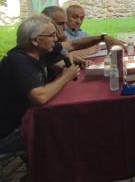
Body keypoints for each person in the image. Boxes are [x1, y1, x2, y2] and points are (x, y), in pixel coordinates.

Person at [0, 15, 81, 154]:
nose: (56, 39)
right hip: (8, 134)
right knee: (69, 130)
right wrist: (66, 76)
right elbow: (40, 97)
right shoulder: (18, 61)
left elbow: (70, 45)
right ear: (35, 40)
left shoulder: (37, 52)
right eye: (51, 35)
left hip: (25, 120)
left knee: (68, 121)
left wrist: (102, 38)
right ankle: (52, 173)